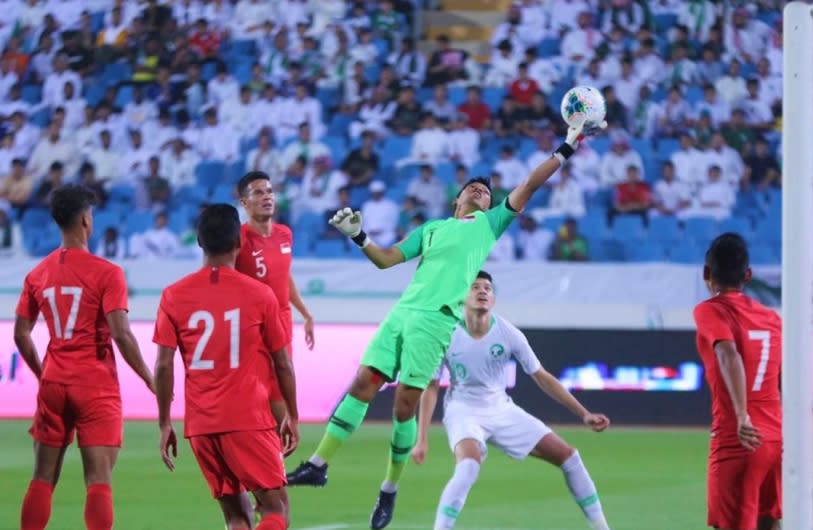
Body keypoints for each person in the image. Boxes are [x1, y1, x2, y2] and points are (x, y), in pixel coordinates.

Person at [287, 119, 605, 529]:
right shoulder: (432, 230)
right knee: (362, 384)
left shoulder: (490, 226)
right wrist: (359, 236)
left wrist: (567, 146)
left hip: (436, 322)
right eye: (473, 187)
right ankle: (317, 465)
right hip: (403, 312)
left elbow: (530, 183)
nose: (480, 190)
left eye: (487, 191)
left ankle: (389, 489)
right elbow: (386, 260)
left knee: (404, 405)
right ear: (457, 199)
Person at [412, 271, 611, 529]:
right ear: (463, 297)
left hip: (501, 409)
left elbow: (542, 377)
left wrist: (583, 414)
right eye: (475, 287)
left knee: (570, 457)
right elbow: (431, 386)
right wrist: (422, 439)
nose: (482, 291)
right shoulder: (446, 333)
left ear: (493, 299)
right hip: (463, 409)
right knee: (468, 466)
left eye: (488, 288)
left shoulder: (508, 333)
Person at [15, 184, 154, 530]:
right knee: (98, 480)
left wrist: (41, 372)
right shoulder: (107, 273)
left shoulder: (38, 273)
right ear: (84, 221)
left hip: (54, 382)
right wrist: (152, 381)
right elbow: (121, 333)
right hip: (95, 383)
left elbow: (21, 334)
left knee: (42, 478)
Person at [153, 204, 299, 530]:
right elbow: (283, 364)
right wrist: (292, 413)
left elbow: (163, 367)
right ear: (239, 243)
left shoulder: (173, 295)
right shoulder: (260, 295)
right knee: (276, 509)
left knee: (236, 516)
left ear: (200, 243)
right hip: (248, 418)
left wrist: (164, 422)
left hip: (201, 424)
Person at [693, 233, 782, 530]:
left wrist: (743, 414)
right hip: (775, 437)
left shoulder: (710, 310)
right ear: (748, 275)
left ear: (707, 273)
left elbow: (728, 353)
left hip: (738, 437)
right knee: (769, 523)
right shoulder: (771, 318)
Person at [235, 171, 315, 425]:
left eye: (269, 191)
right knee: (256, 392)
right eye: (258, 192)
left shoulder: (284, 234)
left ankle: (277, 454)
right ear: (244, 203)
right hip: (252, 325)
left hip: (281, 322)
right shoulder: (238, 239)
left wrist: (305, 313)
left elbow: (283, 276)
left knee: (281, 388)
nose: (267, 197)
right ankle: (269, 453)